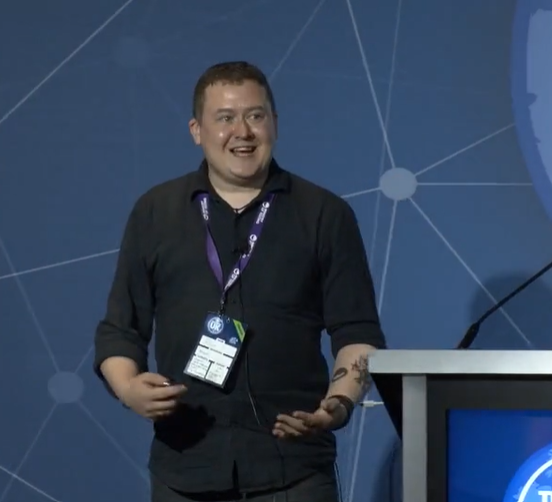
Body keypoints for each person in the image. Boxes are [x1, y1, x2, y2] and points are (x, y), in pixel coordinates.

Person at [93, 61, 387, 502]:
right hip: (186, 468)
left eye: (255, 115)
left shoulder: (325, 214)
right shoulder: (155, 212)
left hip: (295, 470)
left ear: (274, 124)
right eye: (225, 118)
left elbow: (357, 331)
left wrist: (336, 407)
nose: (242, 132)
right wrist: (129, 390)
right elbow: (120, 329)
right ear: (197, 130)